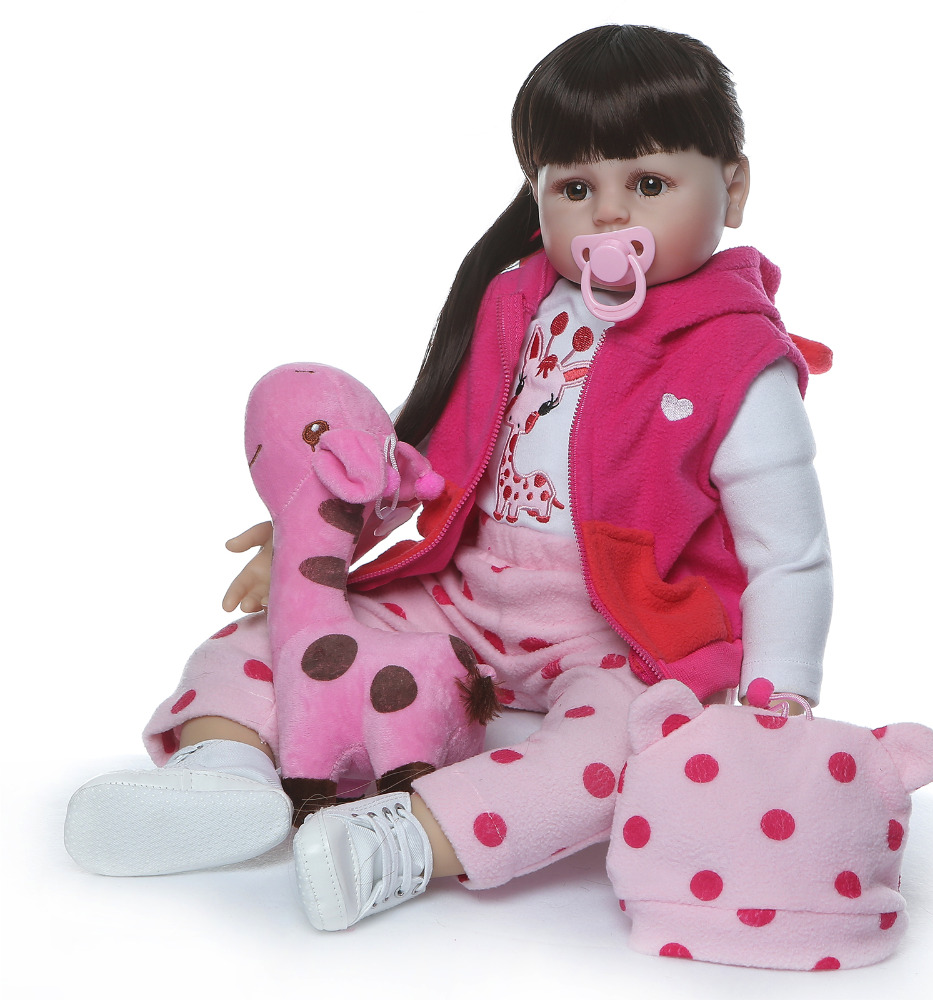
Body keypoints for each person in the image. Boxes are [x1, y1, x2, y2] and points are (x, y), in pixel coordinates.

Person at [65, 24, 832, 931]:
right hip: (460, 597)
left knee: (628, 751)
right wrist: (321, 528)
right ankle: (225, 775)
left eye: (650, 185)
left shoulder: (739, 361)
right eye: (575, 188)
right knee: (264, 636)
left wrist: (779, 697)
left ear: (732, 189)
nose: (609, 217)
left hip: (620, 634)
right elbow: (434, 453)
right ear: (537, 192)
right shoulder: (515, 303)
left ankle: (402, 843)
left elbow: (788, 554)